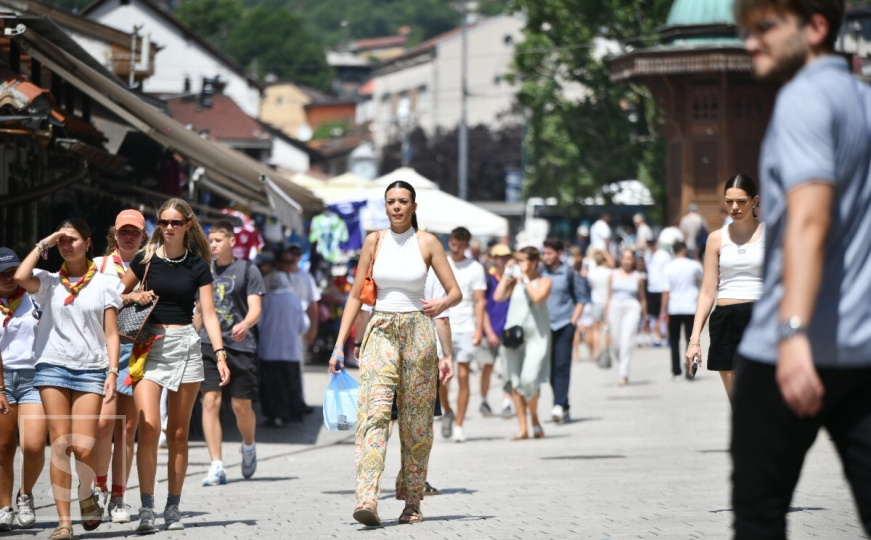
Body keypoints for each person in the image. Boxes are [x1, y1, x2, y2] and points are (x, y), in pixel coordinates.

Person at [731, 3, 869, 536]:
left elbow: (808, 220)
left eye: (765, 28)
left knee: (760, 519)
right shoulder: (864, 99)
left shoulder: (802, 98)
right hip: (863, 347)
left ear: (816, 27)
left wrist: (792, 333)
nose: (751, 43)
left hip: (786, 351)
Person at [328, 180, 461, 526]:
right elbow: (356, 295)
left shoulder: (427, 242)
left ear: (414, 207)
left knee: (417, 425)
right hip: (381, 331)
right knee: (374, 414)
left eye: (403, 201)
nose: (397, 207)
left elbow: (455, 292)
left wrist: (441, 302)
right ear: (385, 207)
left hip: (418, 331)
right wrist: (339, 345)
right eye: (391, 202)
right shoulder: (374, 241)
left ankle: (412, 501)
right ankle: (368, 498)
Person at [119, 198, 230, 533]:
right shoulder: (145, 259)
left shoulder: (198, 265)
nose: (168, 227)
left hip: (185, 345)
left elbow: (208, 313)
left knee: (179, 433)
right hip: (149, 344)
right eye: (163, 222)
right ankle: (147, 507)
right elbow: (114, 295)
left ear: (187, 226)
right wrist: (132, 296)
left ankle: (173, 506)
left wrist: (221, 353)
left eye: (175, 222)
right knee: (149, 425)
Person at [14, 220, 122, 540]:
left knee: (83, 446)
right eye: (62, 240)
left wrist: (113, 372)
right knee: (60, 445)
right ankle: (64, 523)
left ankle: (86, 493)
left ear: (88, 243)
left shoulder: (105, 283)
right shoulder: (49, 281)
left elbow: (112, 333)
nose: (66, 244)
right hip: (53, 367)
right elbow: (20, 277)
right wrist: (44, 242)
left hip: (91, 368)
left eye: (72, 239)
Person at [197, 220, 265, 486]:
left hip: (241, 345)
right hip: (210, 345)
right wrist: (192, 335)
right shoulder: (204, 271)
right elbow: (200, 310)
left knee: (240, 405)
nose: (213, 245)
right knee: (210, 401)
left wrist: (245, 324)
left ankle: (248, 445)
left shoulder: (248, 270)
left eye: (217, 240)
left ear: (232, 242)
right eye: (210, 240)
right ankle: (216, 464)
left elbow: (256, 308)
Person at [92, 210, 149, 524]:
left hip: (137, 351)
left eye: (135, 232)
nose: (129, 236)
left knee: (127, 431)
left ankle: (118, 497)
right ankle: (98, 487)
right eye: (123, 231)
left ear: (143, 236)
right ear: (114, 233)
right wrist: (130, 297)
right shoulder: (98, 266)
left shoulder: (152, 266)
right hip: (101, 352)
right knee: (102, 425)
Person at [686, 174, 763, 400]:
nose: (735, 207)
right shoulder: (716, 239)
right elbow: (708, 291)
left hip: (760, 316)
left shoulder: (772, 233)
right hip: (725, 318)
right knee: (737, 403)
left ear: (755, 200)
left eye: (741, 201)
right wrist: (694, 341)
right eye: (729, 202)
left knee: (760, 397)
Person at [0, 248, 46, 531]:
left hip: (34, 378)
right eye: (1, 273)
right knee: (3, 447)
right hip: (1, 380)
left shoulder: (34, 296)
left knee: (33, 444)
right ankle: (4, 507)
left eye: (12, 272)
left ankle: (25, 495)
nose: (8, 278)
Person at [494, 246, 552, 440]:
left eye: (522, 260)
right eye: (517, 260)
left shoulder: (544, 281)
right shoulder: (515, 281)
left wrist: (525, 278)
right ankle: (523, 427)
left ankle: (534, 418)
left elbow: (538, 297)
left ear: (534, 262)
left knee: (529, 380)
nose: (518, 263)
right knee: (516, 381)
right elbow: (498, 296)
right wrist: (507, 276)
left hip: (537, 338)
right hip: (514, 338)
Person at [439, 227, 486, 443]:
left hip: (466, 326)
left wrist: (478, 329)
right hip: (443, 325)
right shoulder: (441, 262)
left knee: (464, 377)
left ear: (467, 245)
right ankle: (447, 411)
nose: (455, 248)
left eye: (460, 245)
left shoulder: (475, 268)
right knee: (441, 377)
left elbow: (479, 301)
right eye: (453, 244)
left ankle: (459, 423)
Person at [256, 253, 309, 428]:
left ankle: (274, 415)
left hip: (269, 350)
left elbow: (260, 323)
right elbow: (303, 325)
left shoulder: (267, 300)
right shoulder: (295, 300)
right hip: (290, 350)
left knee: (272, 386)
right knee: (288, 383)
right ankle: (289, 414)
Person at [541, 238, 589, 424]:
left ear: (559, 253)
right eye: (545, 253)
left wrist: (573, 321)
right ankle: (564, 404)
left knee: (562, 365)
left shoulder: (569, 272)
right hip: (545, 326)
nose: (546, 257)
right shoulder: (540, 271)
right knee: (551, 368)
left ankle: (558, 405)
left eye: (550, 253)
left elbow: (581, 298)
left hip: (564, 324)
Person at [479, 243, 513, 418]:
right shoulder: (488, 278)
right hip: (490, 328)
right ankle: (483, 400)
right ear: (494, 259)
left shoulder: (512, 278)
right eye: (500, 257)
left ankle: (507, 402)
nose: (504, 260)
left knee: (508, 367)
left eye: (507, 256)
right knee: (488, 366)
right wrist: (488, 331)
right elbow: (482, 307)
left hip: (508, 329)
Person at [661, 241, 703, 380]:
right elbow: (702, 279)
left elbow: (666, 291)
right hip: (691, 307)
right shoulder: (693, 265)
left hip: (674, 307)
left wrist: (663, 310)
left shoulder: (668, 267)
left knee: (674, 341)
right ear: (685, 250)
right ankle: (690, 369)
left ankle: (676, 371)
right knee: (690, 341)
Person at [605, 249, 647, 386]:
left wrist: (645, 316)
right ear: (621, 259)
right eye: (625, 258)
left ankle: (623, 373)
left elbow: (643, 298)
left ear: (633, 260)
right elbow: (609, 296)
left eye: (630, 258)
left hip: (632, 307)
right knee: (616, 343)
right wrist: (606, 316)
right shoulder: (613, 274)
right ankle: (621, 360)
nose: (627, 261)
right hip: (615, 306)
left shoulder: (638, 276)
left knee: (627, 340)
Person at [586, 249, 615, 366]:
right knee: (607, 328)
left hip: (596, 301)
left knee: (595, 329)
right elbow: (612, 263)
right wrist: (605, 253)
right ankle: (606, 349)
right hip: (608, 302)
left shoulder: (591, 273)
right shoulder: (609, 272)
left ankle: (596, 351)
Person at [645, 240, 672, 347]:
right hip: (652, 288)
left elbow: (669, 269)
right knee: (655, 315)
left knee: (665, 313)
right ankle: (658, 337)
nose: (651, 246)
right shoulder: (648, 255)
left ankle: (670, 337)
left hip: (663, 288)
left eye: (652, 243)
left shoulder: (663, 255)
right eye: (649, 244)